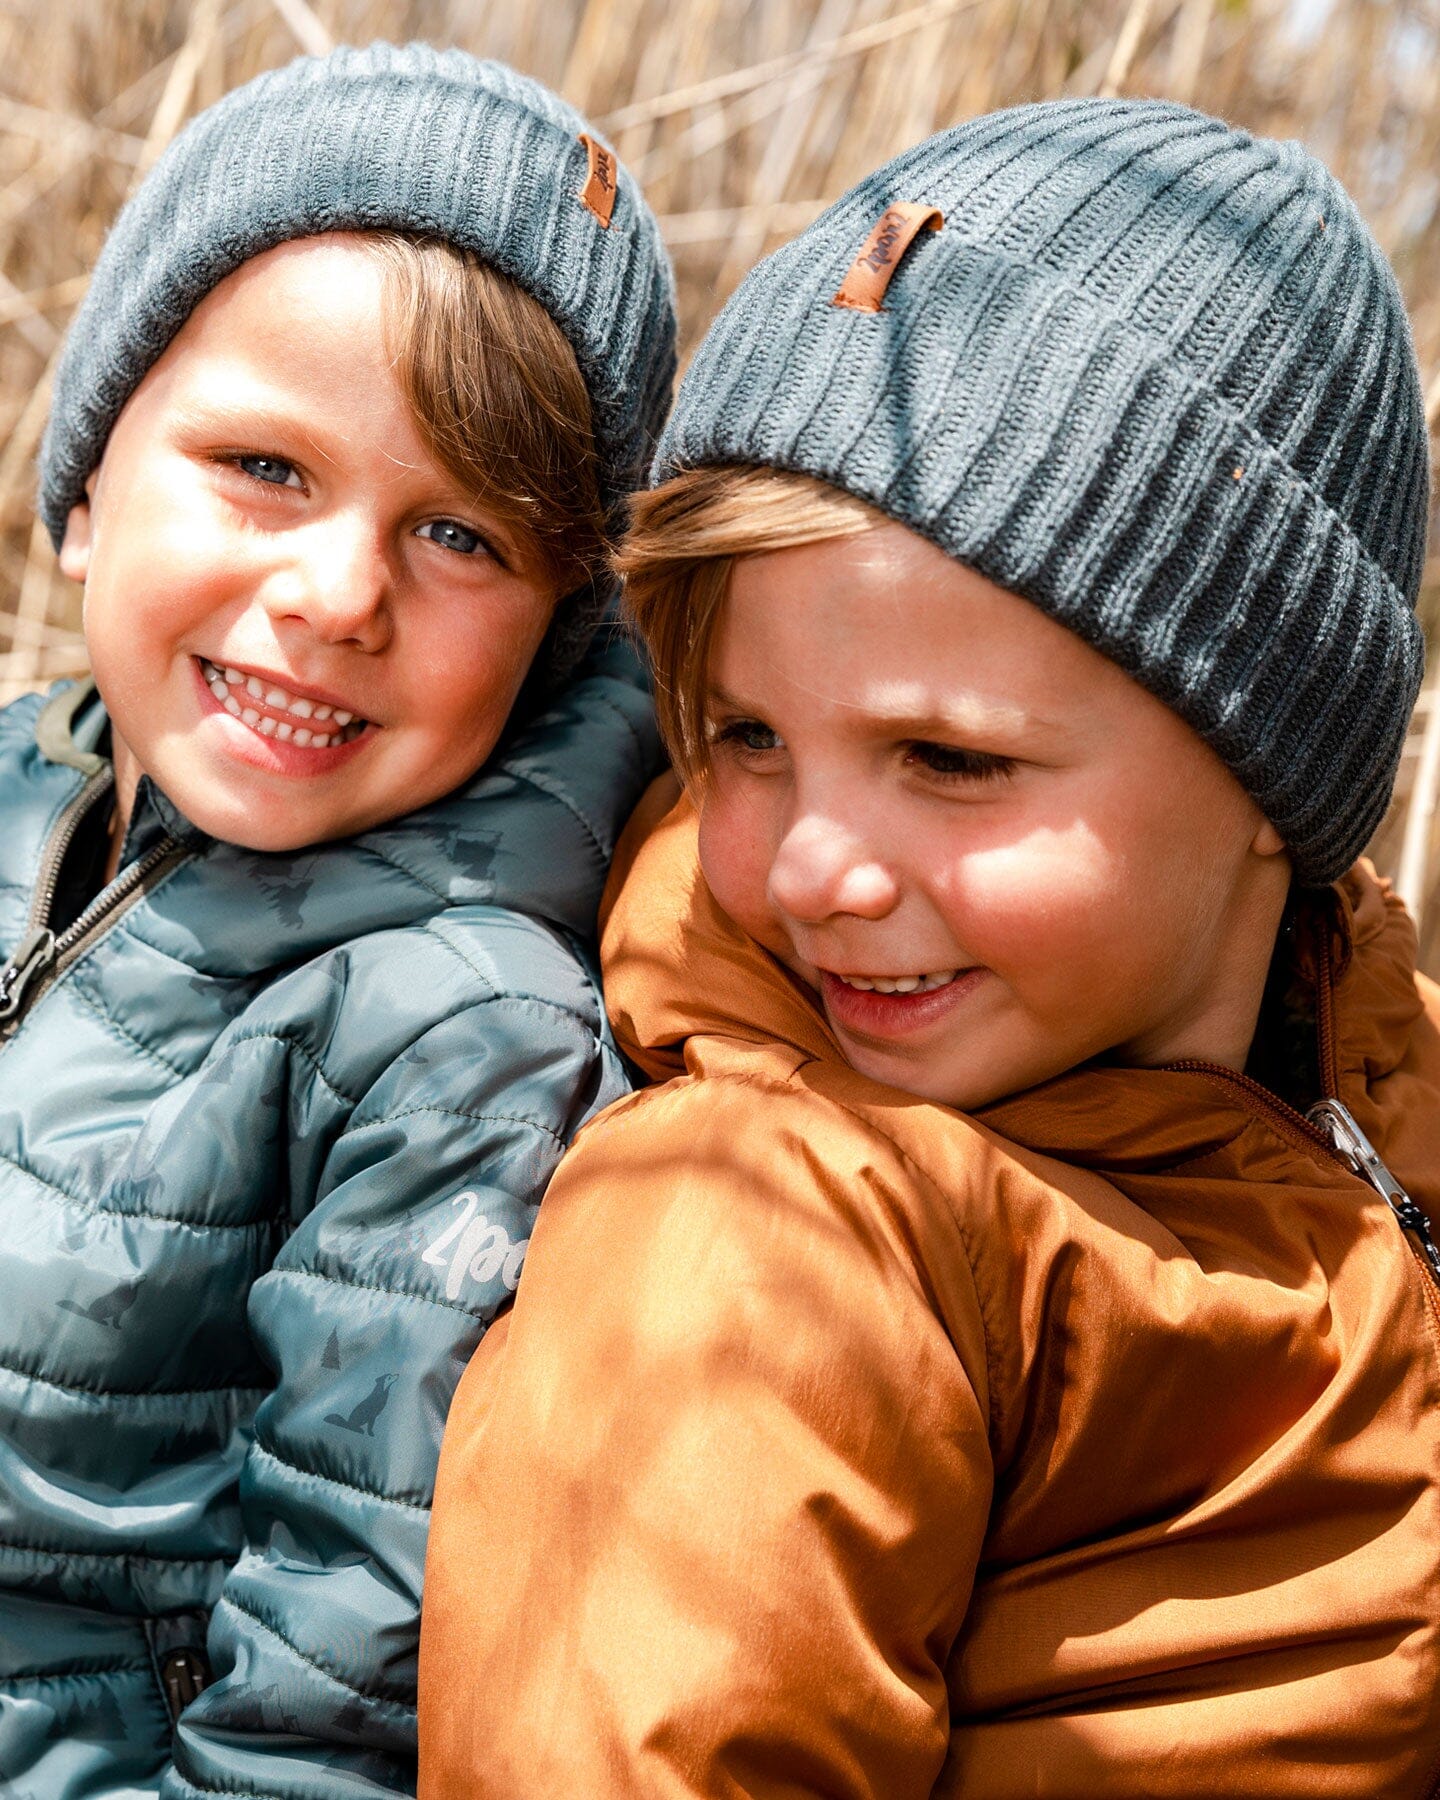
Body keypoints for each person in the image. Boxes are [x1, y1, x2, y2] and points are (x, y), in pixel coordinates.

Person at [418, 99, 1440, 1796]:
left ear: (1277, 772)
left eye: (951, 762)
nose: (816, 867)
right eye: (743, 737)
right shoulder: (768, 1237)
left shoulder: (1377, 1091)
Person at [0, 40, 673, 1798]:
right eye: (265, 469)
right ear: (86, 487)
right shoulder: (22, 781)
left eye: (460, 533)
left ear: (559, 631)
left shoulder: (460, 1035)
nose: (338, 596)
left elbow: (332, 1700)